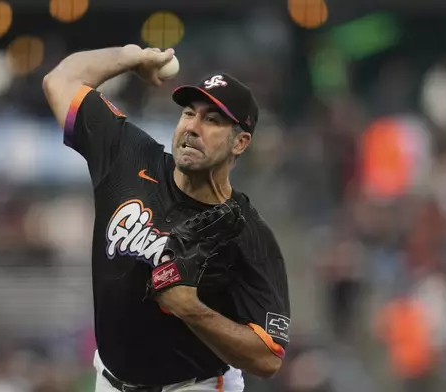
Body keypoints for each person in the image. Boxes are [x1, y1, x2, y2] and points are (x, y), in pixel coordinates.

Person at [42, 44, 290, 392]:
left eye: (212, 120)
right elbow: (61, 79)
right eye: (189, 113)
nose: (193, 127)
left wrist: (192, 310)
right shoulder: (127, 157)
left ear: (240, 142)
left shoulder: (248, 234)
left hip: (193, 386)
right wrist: (129, 58)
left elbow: (268, 360)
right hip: (109, 381)